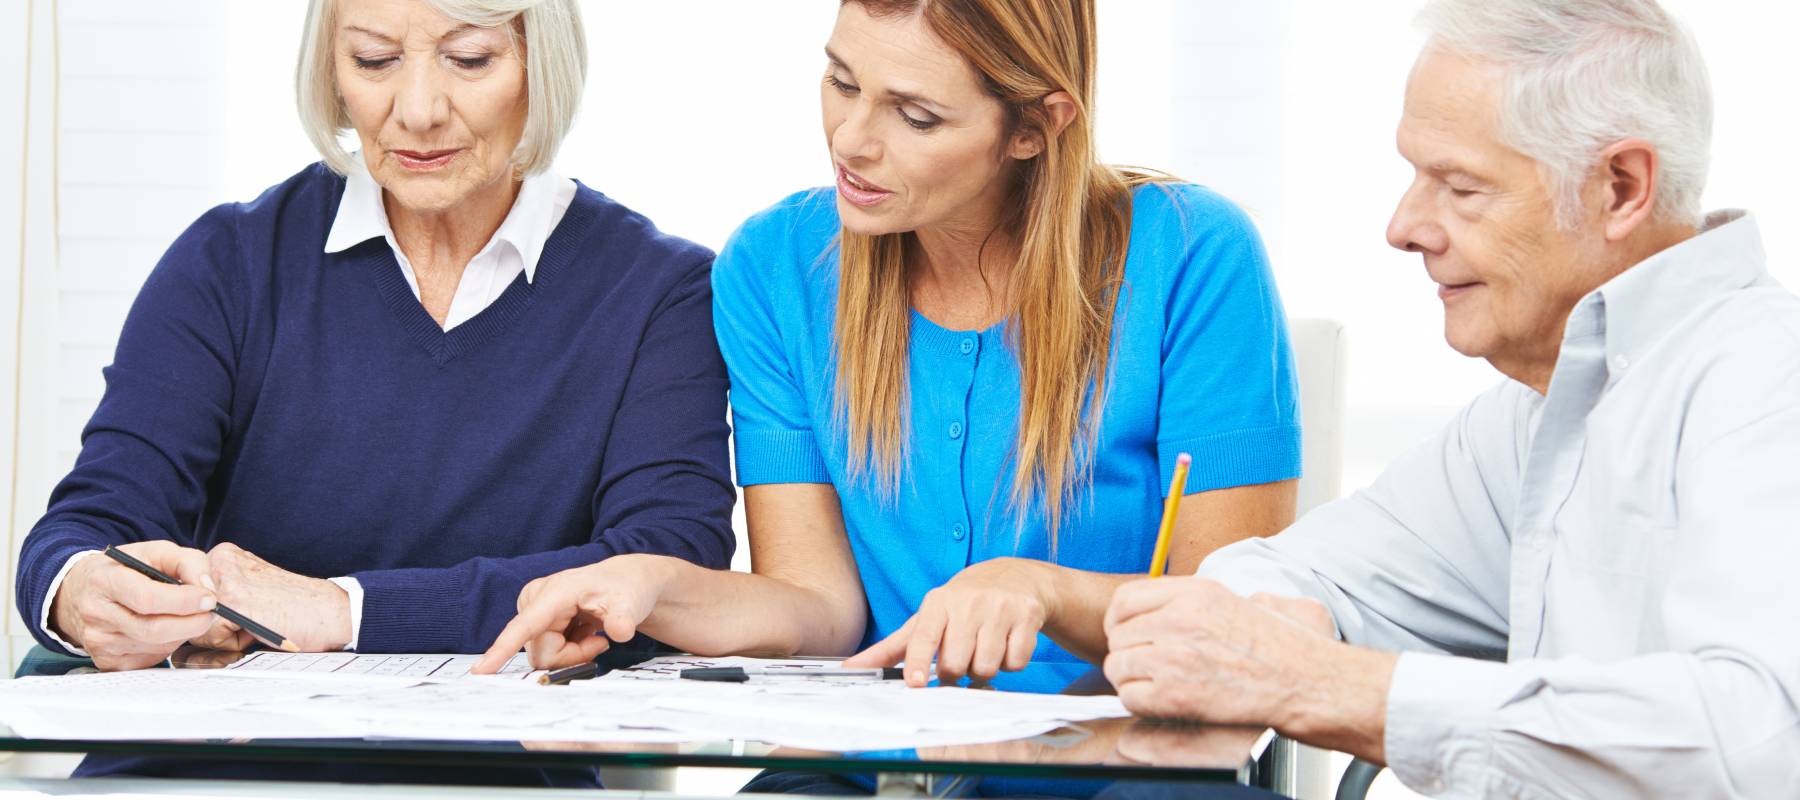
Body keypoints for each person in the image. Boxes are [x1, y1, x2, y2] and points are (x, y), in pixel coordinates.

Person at [479, 0, 1301, 695]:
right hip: (883, 758)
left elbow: (1230, 614)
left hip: (1127, 755)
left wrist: (1044, 591)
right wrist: (654, 588)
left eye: (916, 116)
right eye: (840, 82)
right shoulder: (776, 268)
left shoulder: (1194, 255)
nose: (852, 141)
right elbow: (819, 607)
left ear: (1036, 127)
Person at [12, 0, 733, 786]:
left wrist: (342, 611)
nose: (417, 111)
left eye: (469, 60)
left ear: (540, 65)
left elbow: (667, 566)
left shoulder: (659, 291)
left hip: (499, 776)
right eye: (374, 60)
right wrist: (83, 591)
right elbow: (88, 523)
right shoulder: (229, 262)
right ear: (331, 68)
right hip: (207, 770)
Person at [1101, 0, 1800, 796]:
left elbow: (1760, 740)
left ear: (1621, 186)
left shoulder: (1770, 381)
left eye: (1460, 185)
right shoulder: (1541, 412)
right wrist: (1254, 632)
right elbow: (1291, 574)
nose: (1404, 227)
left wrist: (1330, 685)